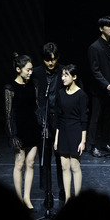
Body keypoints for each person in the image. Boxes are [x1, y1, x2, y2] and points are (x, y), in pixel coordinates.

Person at [4, 53, 40, 210]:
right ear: (19, 69)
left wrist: (42, 125)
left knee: (30, 163)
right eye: (28, 70)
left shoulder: (34, 84)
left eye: (32, 69)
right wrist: (12, 135)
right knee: (19, 164)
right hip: (19, 129)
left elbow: (37, 107)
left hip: (33, 127)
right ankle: (18, 199)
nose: (31, 72)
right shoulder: (10, 88)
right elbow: (9, 114)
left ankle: (27, 198)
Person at [32, 42, 66, 206]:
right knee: (44, 158)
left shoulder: (64, 71)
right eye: (48, 60)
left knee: (61, 157)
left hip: (60, 119)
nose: (51, 63)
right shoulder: (37, 73)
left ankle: (62, 189)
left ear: (58, 58)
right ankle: (47, 193)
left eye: (53, 59)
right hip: (43, 120)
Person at [87, 16, 110, 158]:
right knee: (96, 118)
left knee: (108, 118)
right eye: (108, 26)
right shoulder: (94, 47)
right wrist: (107, 85)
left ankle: (104, 143)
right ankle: (93, 145)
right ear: (101, 28)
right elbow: (95, 71)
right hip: (99, 90)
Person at [54, 64, 88, 203]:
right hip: (63, 132)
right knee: (64, 166)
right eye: (62, 75)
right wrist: (56, 139)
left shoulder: (81, 95)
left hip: (75, 132)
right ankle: (68, 198)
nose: (63, 78)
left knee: (75, 166)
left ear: (74, 77)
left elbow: (84, 119)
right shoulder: (61, 93)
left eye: (66, 75)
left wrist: (83, 141)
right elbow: (58, 117)